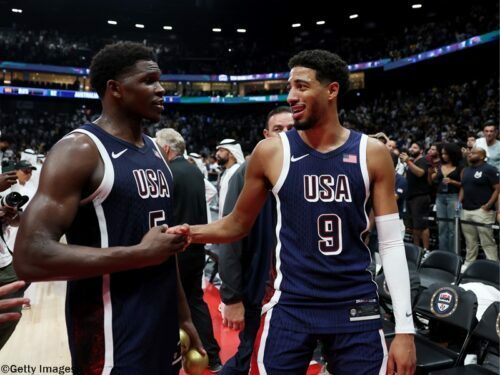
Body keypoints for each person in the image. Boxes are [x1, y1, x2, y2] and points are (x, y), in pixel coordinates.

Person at [174, 50, 416, 374]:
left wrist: (405, 329)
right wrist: (189, 233)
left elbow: (390, 243)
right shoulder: (272, 151)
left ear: (331, 91)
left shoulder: (371, 153)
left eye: (301, 86)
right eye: (290, 87)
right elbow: (236, 224)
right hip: (292, 303)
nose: (291, 96)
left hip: (355, 303)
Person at [13, 42, 203, 374]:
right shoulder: (78, 150)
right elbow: (30, 257)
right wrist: (140, 254)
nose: (161, 89)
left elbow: (163, 248)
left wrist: (184, 317)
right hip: (109, 336)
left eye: (160, 80)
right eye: (148, 81)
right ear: (115, 89)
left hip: (161, 325)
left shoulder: (157, 151)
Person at [218, 106, 293, 374]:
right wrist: (232, 297)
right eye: (278, 129)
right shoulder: (247, 172)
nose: (286, 135)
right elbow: (229, 237)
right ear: (265, 135)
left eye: (292, 129)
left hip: (299, 292)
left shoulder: (308, 168)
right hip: (262, 291)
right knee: (250, 358)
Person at [156, 128, 222, 373]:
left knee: (167, 302)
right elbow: (210, 193)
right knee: (195, 301)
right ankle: (212, 356)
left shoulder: (166, 172)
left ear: (165, 149)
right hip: (196, 246)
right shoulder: (195, 171)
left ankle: (169, 356)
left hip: (176, 249)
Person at [459, 147, 499, 266]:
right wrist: (459, 202)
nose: (470, 154)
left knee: (487, 241)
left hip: (482, 211)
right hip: (466, 209)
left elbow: (497, 189)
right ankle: (468, 264)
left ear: (482, 156)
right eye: (470, 153)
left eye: (473, 153)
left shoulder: (489, 169)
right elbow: (463, 187)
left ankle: (492, 265)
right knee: (470, 241)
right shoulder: (465, 170)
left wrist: (488, 205)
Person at [430, 143, 462, 252]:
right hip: (439, 197)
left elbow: (464, 184)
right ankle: (443, 253)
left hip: (454, 197)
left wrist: (452, 181)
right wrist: (432, 175)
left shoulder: (459, 167)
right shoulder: (439, 166)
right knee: (442, 227)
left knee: (453, 228)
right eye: (442, 153)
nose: (443, 156)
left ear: (452, 154)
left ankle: (454, 254)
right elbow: (432, 181)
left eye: (446, 154)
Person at [400, 142, 432, 250]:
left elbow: (421, 173)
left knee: (422, 226)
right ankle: (416, 250)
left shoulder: (423, 160)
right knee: (414, 227)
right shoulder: (413, 162)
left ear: (421, 150)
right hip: (411, 197)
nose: (412, 149)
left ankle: (425, 250)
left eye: (415, 147)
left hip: (420, 197)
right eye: (411, 147)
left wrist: (408, 162)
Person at [215, 139, 244, 219]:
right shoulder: (227, 172)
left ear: (232, 153)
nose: (217, 154)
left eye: (221, 151)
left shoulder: (236, 172)